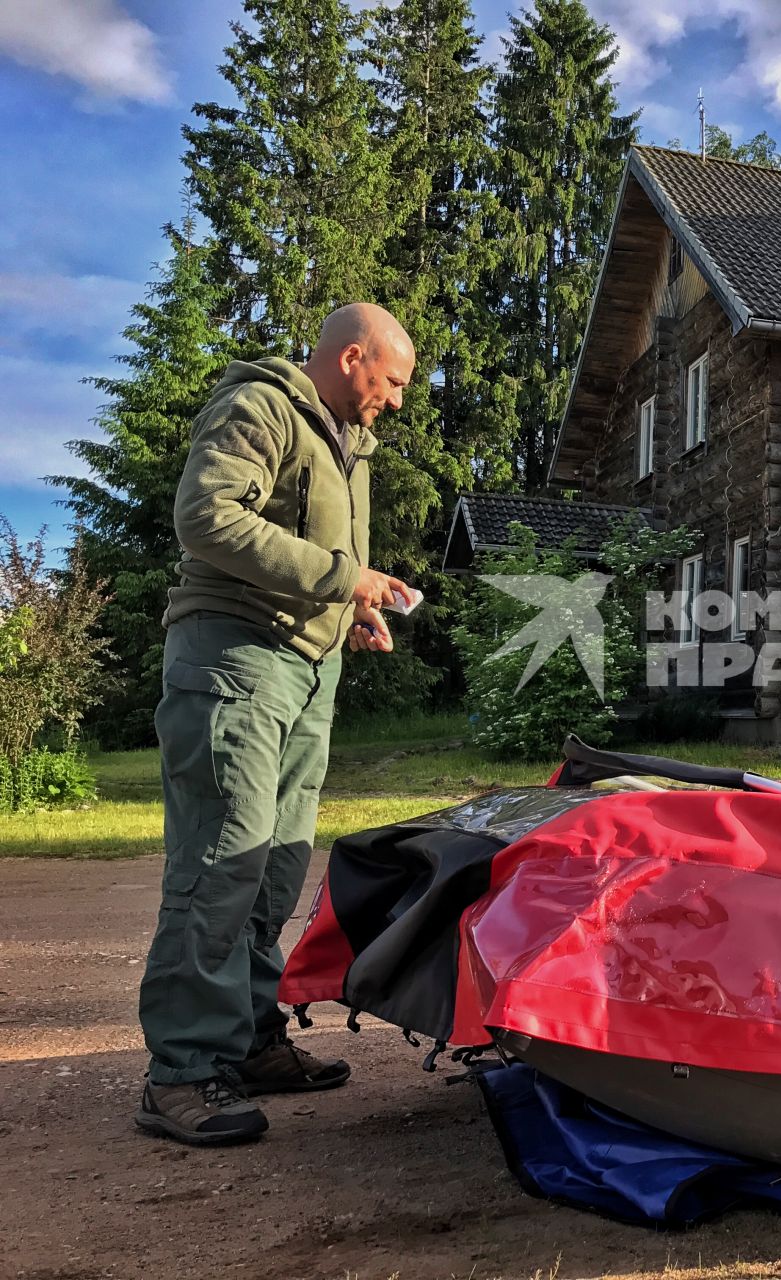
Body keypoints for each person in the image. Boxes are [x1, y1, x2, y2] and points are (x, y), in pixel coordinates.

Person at [136, 304, 417, 1146]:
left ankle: (251, 1041)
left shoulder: (343, 443)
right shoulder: (260, 406)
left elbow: (315, 570)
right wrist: (343, 577)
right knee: (222, 861)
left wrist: (350, 614)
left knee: (274, 867)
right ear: (352, 356)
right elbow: (208, 517)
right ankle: (183, 1072)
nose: (397, 402)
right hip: (235, 660)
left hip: (304, 669)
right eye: (393, 381)